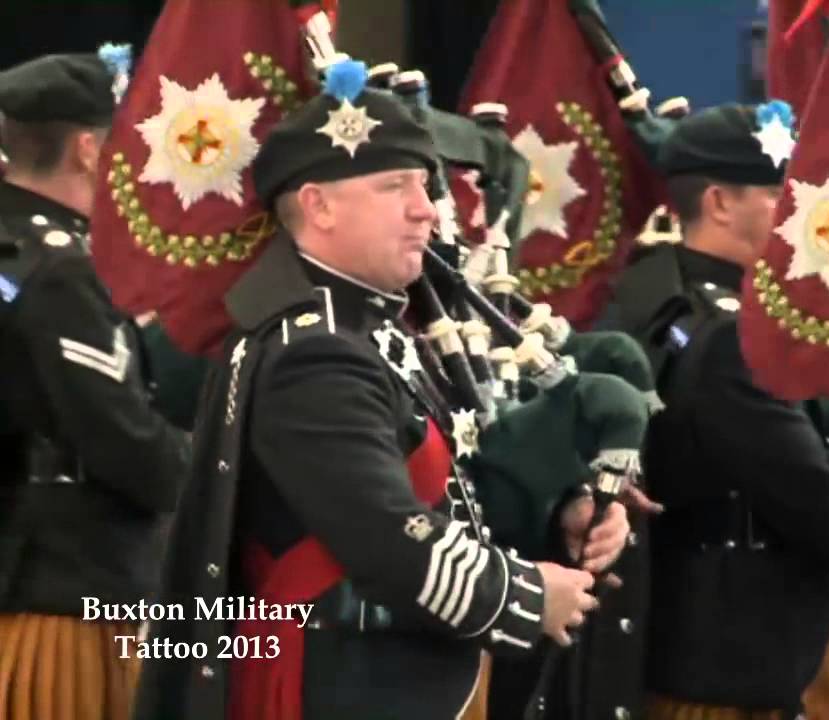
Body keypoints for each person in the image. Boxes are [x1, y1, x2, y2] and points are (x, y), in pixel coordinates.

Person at [130, 60, 626, 720]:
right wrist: (526, 598)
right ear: (319, 204)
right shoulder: (314, 351)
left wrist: (557, 510)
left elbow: (455, 498)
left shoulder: (378, 330)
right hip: (340, 686)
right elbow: (385, 533)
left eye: (425, 184)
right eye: (396, 185)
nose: (428, 208)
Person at [606, 101, 829, 720]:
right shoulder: (731, 336)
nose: (801, 214)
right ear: (718, 202)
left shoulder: (654, 295)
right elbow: (810, 492)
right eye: (780, 194)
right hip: (730, 666)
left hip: (693, 642)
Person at [0, 50, 192, 720]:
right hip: (62, 600)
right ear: (87, 149)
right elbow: (122, 443)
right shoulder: (57, 272)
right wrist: (220, 466)